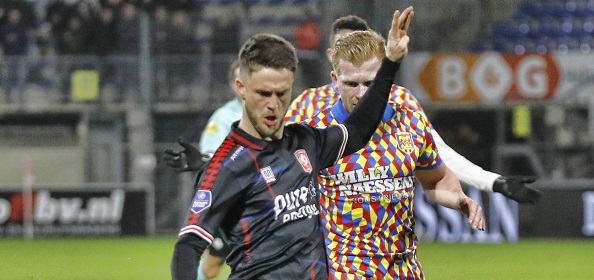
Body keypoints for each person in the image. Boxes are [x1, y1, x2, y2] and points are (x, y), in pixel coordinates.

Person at [170, 7, 423, 279]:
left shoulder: (306, 142)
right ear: (241, 89)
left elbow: (359, 127)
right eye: (263, 93)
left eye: (281, 93)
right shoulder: (226, 167)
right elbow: (188, 247)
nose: (273, 104)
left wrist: (391, 61)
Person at [284, 14, 542, 204]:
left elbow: (438, 153)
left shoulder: (400, 101)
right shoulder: (307, 105)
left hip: (392, 245)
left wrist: (493, 181)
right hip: (331, 247)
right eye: (344, 47)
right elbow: (283, 167)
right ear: (332, 56)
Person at [306, 19, 486, 278]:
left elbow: (436, 179)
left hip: (404, 270)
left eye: (370, 83)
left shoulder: (410, 123)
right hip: (345, 270)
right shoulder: (316, 133)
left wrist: (459, 199)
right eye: (351, 84)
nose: (361, 94)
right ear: (335, 80)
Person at [164, 60, 241, 280]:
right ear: (232, 84)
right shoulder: (223, 117)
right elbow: (210, 157)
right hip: (227, 204)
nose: (240, 83)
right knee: (213, 264)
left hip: (260, 201)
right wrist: (203, 160)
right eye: (237, 79)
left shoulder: (265, 110)